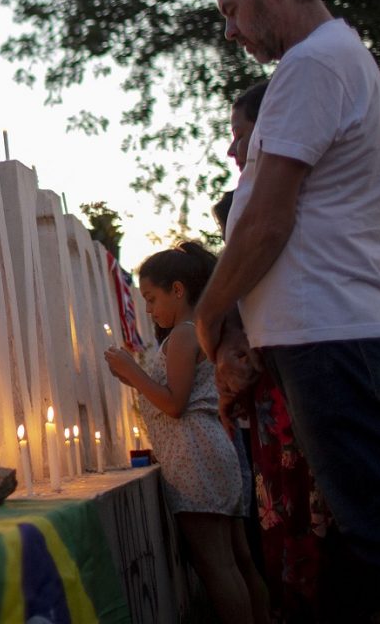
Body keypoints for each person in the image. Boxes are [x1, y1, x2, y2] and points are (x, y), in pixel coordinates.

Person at [194, 0, 380, 622]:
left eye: (230, 10)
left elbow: (267, 222)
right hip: (331, 332)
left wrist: (209, 314)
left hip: (331, 336)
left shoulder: (314, 65)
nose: (230, 31)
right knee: (374, 534)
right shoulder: (336, 59)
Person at [213, 82, 331, 623]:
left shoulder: (281, 199)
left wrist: (207, 316)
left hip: (296, 378)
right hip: (273, 391)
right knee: (284, 513)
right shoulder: (254, 193)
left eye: (240, 136)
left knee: (309, 507)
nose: (233, 150)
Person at [105, 242, 270, 624]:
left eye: (151, 298)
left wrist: (133, 373)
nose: (148, 309)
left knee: (217, 567)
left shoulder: (181, 334)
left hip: (194, 454)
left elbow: (175, 404)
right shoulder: (202, 331)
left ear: (177, 290)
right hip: (213, 449)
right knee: (240, 561)